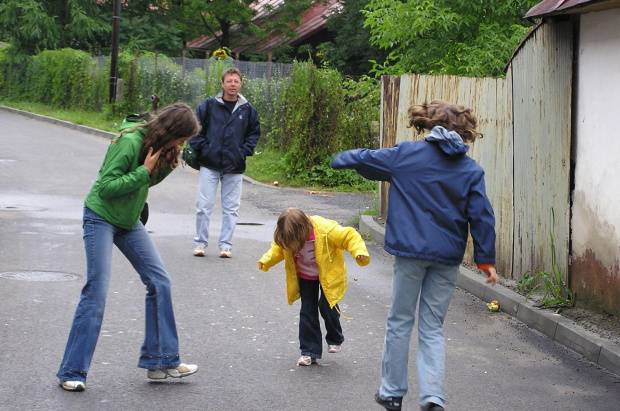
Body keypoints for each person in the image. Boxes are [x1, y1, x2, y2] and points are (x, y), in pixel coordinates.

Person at [332, 100, 499, 411]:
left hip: (410, 254)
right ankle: (433, 396)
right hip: (447, 258)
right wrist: (485, 261)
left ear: (430, 125)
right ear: (463, 130)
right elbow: (482, 217)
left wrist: (342, 159)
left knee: (399, 321)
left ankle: (392, 392)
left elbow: (369, 160)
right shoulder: (470, 170)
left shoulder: (406, 155)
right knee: (432, 326)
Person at [57, 102, 200, 392]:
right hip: (100, 217)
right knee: (96, 292)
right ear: (171, 131)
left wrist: (165, 165)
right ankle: (71, 371)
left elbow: (145, 183)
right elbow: (106, 187)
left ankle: (161, 362)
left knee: (159, 281)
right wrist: (145, 172)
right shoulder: (129, 141)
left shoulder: (157, 146)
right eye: (182, 138)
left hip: (128, 220)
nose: (182, 144)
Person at [257, 207, 370, 366]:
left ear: (303, 231)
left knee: (326, 305)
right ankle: (309, 351)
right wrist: (266, 261)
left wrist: (359, 251)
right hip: (305, 276)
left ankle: (335, 337)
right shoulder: (288, 237)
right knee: (307, 311)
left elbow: (348, 236)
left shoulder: (325, 230)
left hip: (328, 275)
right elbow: (277, 248)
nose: (291, 246)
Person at [189, 67, 261, 259]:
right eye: (229, 81)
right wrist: (205, 148)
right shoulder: (210, 105)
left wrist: (244, 151)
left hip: (234, 167)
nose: (232, 85)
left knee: (231, 209)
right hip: (209, 164)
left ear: (241, 84)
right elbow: (194, 128)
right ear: (222, 83)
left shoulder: (247, 109)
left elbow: (254, 133)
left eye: (236, 81)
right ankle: (200, 243)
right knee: (203, 206)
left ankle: (226, 245)